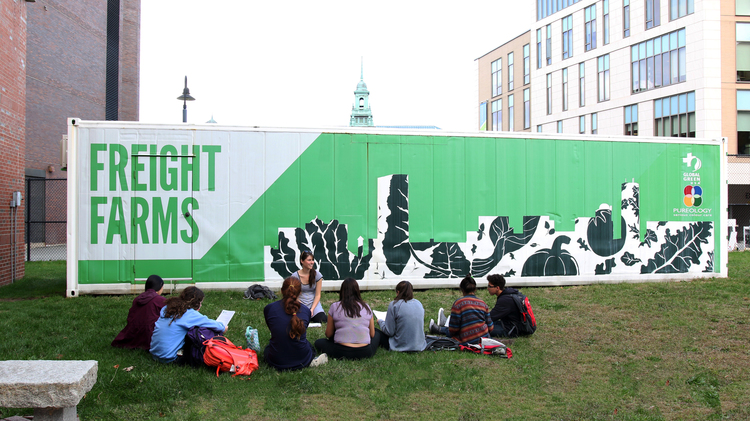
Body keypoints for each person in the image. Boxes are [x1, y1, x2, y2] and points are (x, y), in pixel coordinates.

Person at [264, 277, 327, 370]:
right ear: (300, 292)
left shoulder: (269, 308)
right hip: (302, 359)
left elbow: (273, 330)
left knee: (268, 348)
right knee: (309, 346)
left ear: (281, 291)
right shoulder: (306, 311)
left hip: (276, 360)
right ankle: (312, 361)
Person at [150, 286, 226, 364]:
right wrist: (224, 327)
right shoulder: (189, 314)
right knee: (197, 332)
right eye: (200, 303)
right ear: (196, 303)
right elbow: (217, 326)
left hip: (154, 354)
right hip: (169, 358)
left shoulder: (167, 308)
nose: (201, 305)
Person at [314, 278, 380, 359]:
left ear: (342, 291)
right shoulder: (366, 307)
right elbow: (372, 334)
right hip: (365, 351)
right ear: (357, 291)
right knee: (377, 333)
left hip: (341, 351)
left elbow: (328, 334)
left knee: (319, 342)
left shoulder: (335, 306)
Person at [429, 275, 493, 345]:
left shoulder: (458, 303)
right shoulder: (483, 304)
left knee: (452, 331)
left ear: (462, 290)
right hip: (483, 340)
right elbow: (490, 327)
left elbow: (453, 330)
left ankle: (439, 329)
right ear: (475, 289)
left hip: (466, 340)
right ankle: (439, 328)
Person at [111, 275, 167, 350]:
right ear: (160, 286)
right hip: (149, 335)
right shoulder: (160, 300)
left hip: (133, 333)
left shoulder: (138, 298)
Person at [376, 281, 427, 352]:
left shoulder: (394, 305)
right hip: (419, 345)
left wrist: (380, 322)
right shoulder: (419, 303)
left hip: (400, 345)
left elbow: (389, 332)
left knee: (375, 332)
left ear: (398, 292)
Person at [291, 251, 327, 323]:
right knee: (298, 320)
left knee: (323, 319)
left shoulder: (317, 275)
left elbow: (318, 295)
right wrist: (303, 307)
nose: (312, 262)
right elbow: (294, 295)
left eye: (312, 260)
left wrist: (312, 309)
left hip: (313, 303)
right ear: (302, 261)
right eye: (309, 260)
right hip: (300, 303)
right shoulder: (295, 276)